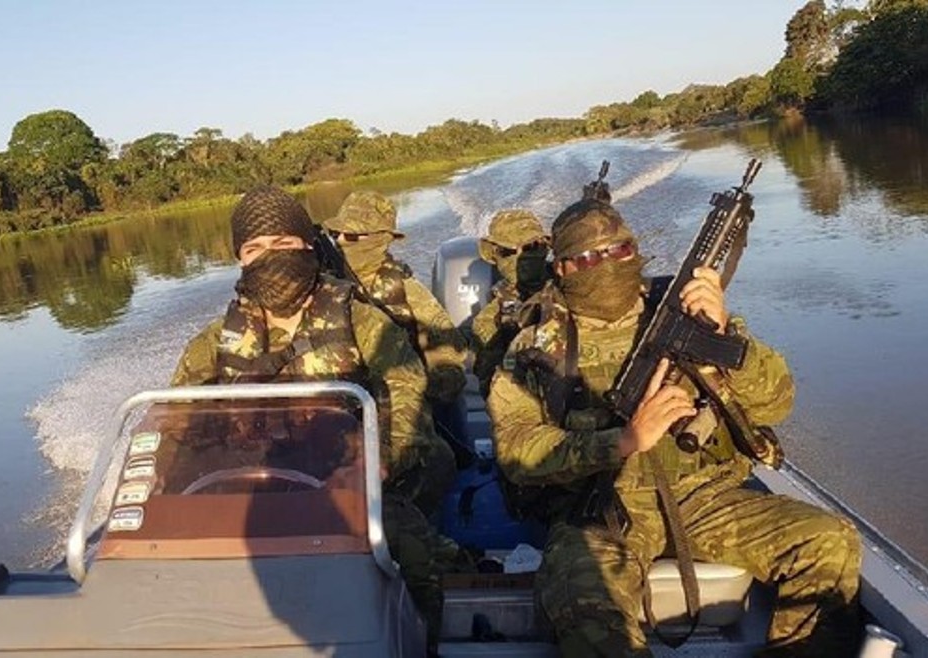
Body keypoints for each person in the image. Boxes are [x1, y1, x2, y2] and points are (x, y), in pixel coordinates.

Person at [487, 198, 862, 657]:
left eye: (619, 252)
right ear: (562, 270)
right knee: (582, 600)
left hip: (704, 495)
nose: (605, 264)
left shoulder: (687, 315)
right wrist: (623, 441)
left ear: (636, 252)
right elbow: (518, 451)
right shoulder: (536, 347)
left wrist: (724, 338)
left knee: (829, 540)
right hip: (605, 508)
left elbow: (776, 403)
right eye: (587, 258)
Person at [170, 186, 464, 652]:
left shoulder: (365, 323)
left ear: (308, 245)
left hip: (351, 486)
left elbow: (409, 400)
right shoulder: (213, 344)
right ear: (240, 259)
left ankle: (419, 640)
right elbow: (176, 427)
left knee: (413, 552)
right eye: (255, 247)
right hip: (251, 493)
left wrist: (377, 464)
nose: (270, 256)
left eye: (283, 243)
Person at [323, 190, 469, 406]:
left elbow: (445, 345)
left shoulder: (403, 286)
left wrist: (424, 390)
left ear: (381, 239)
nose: (341, 241)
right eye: (335, 235)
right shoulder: (322, 284)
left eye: (351, 236)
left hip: (398, 398)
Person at [470, 209, 550, 397]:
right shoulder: (488, 323)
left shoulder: (574, 287)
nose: (522, 257)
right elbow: (492, 389)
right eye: (508, 251)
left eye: (532, 248)